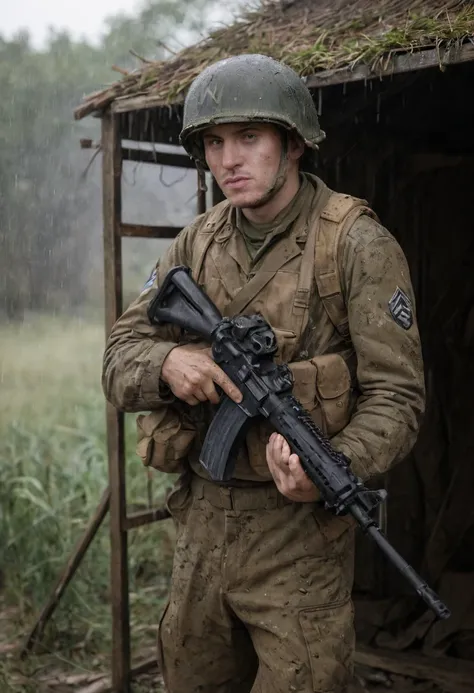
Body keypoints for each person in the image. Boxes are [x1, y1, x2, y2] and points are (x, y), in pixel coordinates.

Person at [102, 54, 425, 693]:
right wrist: (168, 362)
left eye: (249, 137)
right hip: (199, 528)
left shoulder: (355, 245)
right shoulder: (193, 245)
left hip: (299, 544)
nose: (229, 160)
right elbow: (119, 355)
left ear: (295, 142)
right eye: (215, 143)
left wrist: (337, 461)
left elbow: (398, 396)